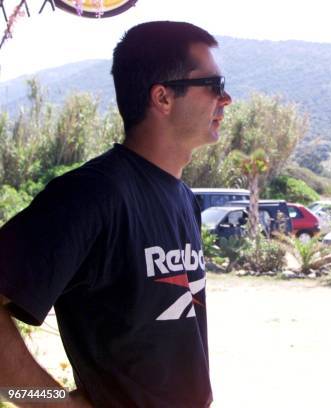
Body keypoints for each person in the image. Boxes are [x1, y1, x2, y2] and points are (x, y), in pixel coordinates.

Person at [0, 21, 231, 407]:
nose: (226, 100)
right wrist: (53, 404)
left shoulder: (184, 198)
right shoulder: (91, 194)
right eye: (215, 85)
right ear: (163, 97)